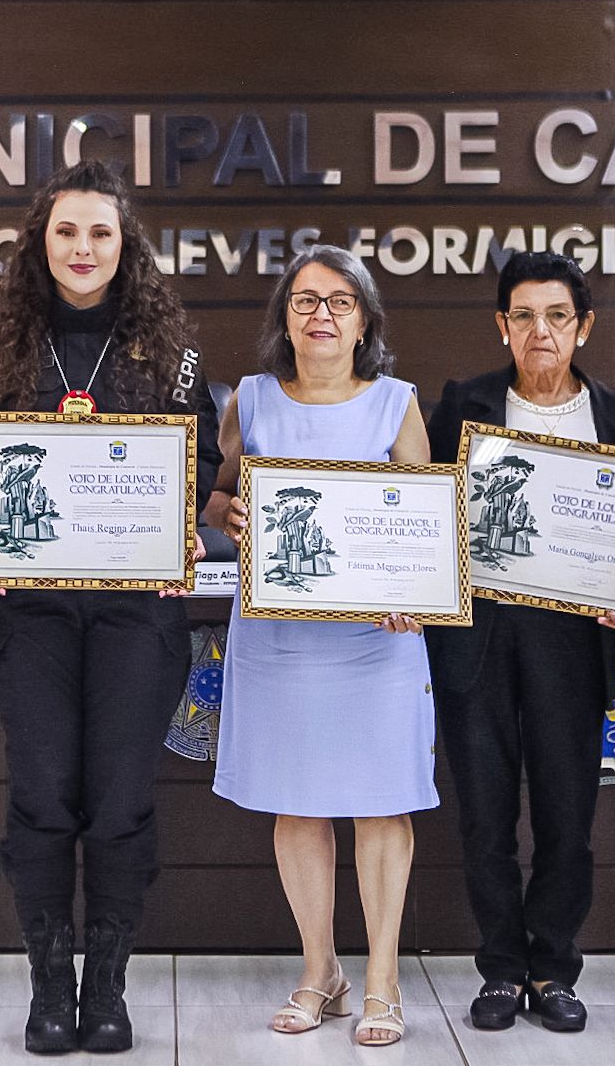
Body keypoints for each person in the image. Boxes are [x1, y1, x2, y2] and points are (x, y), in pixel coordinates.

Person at [0, 159, 220, 1055]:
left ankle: (107, 985)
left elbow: (200, 463)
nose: (83, 247)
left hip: (137, 617)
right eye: (66, 231)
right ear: (41, 243)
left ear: (123, 246)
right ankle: (48, 987)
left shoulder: (173, 362)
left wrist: (180, 521)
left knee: (119, 800)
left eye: (101, 232)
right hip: (34, 619)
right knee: (41, 795)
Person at [425, 250, 615, 1035]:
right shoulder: (462, 404)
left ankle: (552, 965)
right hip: (476, 642)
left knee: (567, 815)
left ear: (583, 326)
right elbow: (427, 519)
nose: (539, 331)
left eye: (556, 315)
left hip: (573, 642)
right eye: (522, 315)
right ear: (502, 325)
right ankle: (500, 967)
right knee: (485, 818)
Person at [202, 245, 431, 1048]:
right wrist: (223, 511)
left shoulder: (395, 402)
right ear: (283, 318)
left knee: (380, 803)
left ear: (363, 318)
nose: (321, 314)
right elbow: (220, 492)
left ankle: (380, 980)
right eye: (303, 300)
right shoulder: (251, 400)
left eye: (338, 301)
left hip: (375, 643)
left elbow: (428, 522)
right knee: (295, 801)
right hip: (279, 639)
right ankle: (319, 970)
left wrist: (415, 596)